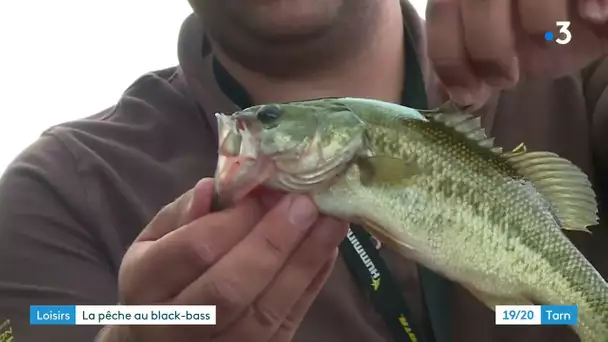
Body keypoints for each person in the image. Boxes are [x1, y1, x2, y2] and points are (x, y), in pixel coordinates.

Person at [0, 0, 607, 341]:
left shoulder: (579, 67)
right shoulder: (54, 198)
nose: (255, 127)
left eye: (270, 120)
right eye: (261, 119)